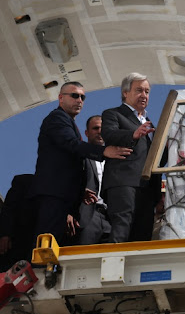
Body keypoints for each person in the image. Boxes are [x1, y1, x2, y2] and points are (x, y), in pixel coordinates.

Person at [31, 82, 131, 246]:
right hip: (54, 196)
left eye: (82, 97)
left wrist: (80, 191)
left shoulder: (68, 122)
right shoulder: (57, 118)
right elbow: (70, 144)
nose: (79, 100)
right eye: (75, 95)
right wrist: (104, 151)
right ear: (60, 98)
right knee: (46, 246)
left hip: (66, 198)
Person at [101, 73, 167, 243]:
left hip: (147, 188)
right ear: (125, 92)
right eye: (139, 90)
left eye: (147, 92)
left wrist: (167, 149)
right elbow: (109, 134)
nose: (144, 95)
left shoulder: (149, 122)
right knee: (122, 229)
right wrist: (133, 134)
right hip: (123, 183)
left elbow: (154, 159)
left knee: (143, 234)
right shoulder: (113, 114)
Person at [73, 116, 112, 245]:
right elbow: (67, 181)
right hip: (86, 216)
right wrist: (68, 213)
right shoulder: (79, 155)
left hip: (111, 219)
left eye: (103, 128)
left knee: (111, 262)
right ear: (87, 133)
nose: (100, 131)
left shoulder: (116, 160)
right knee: (81, 261)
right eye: (95, 128)